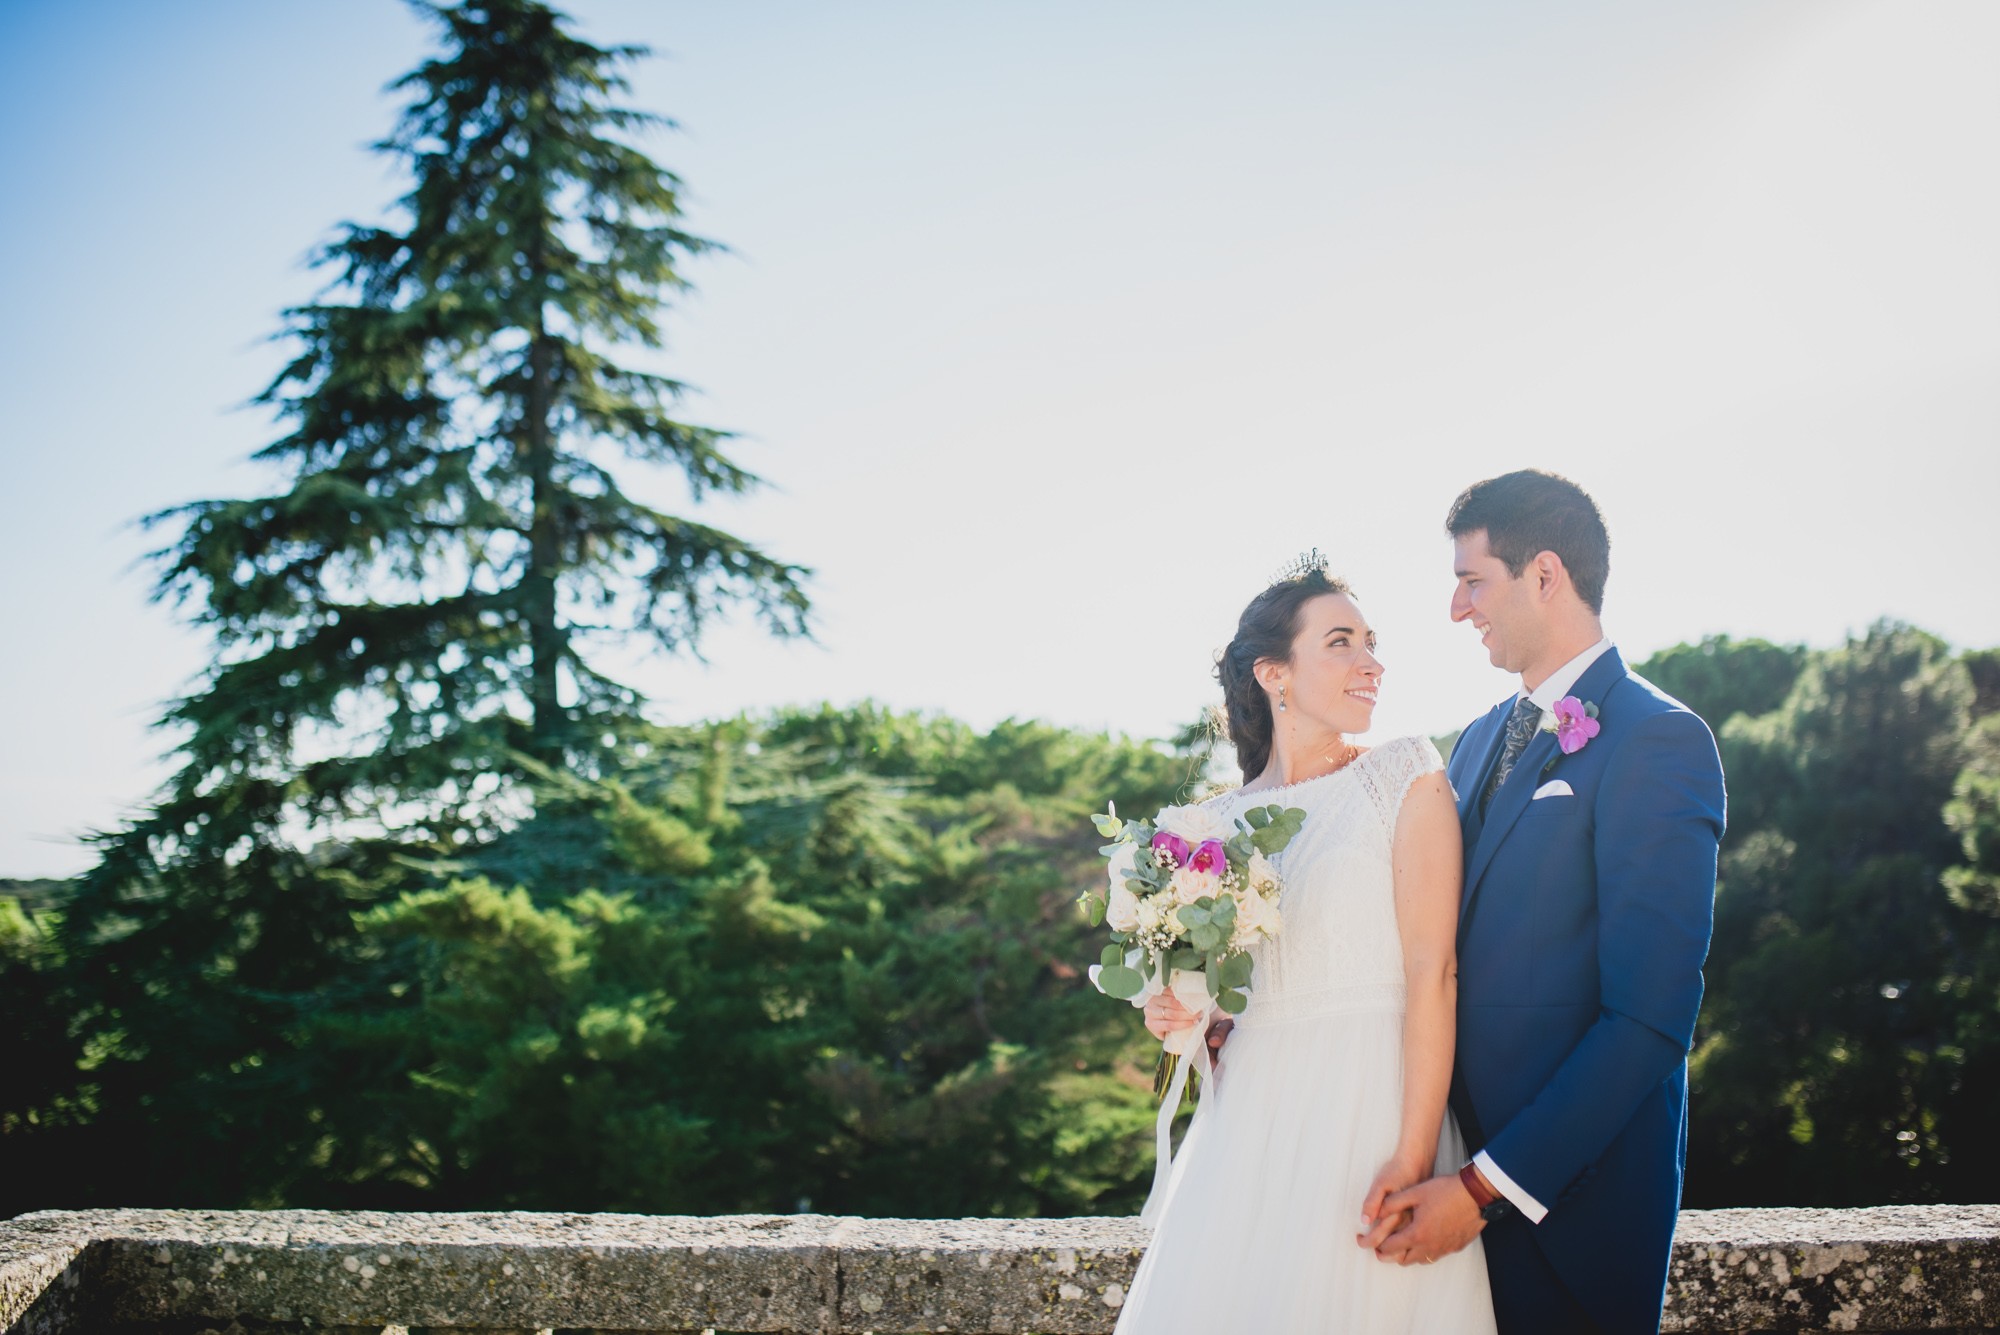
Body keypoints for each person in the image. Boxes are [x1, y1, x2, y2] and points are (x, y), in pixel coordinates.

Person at [1365, 470, 1726, 1333]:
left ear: (1546, 574)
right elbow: (1420, 943)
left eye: (1473, 579)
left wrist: (1486, 1187)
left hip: (1568, 1220)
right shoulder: (1479, 741)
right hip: (1440, 1203)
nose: (1458, 607)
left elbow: (1649, 1019)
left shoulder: (1658, 739)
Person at [1114, 562, 1497, 1334]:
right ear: (1273, 672)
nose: (1371, 662)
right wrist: (1177, 1012)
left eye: (1372, 643)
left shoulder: (1404, 774)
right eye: (1341, 642)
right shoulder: (1208, 828)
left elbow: (1434, 971)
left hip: (1372, 1113)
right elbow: (1217, 1003)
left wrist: (1415, 1150)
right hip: (1247, 1132)